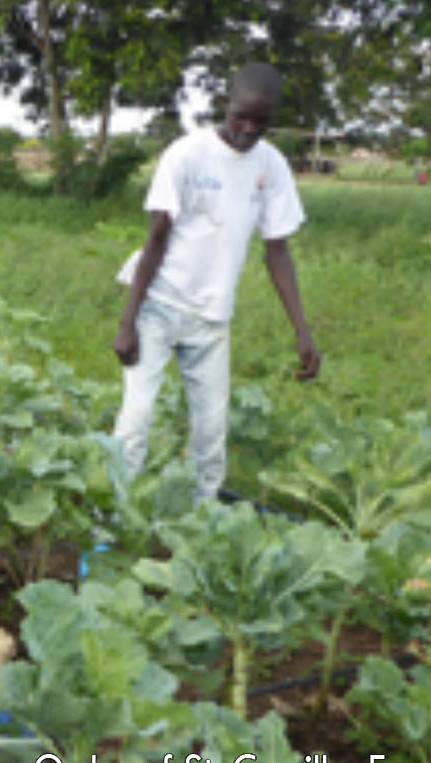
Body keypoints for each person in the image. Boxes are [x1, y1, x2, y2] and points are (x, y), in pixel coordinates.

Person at [111, 62, 320, 504]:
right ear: (226, 105)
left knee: (211, 430)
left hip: (212, 318)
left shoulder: (272, 166)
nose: (248, 129)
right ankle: (109, 523)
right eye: (241, 116)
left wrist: (303, 333)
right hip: (159, 306)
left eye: (260, 122)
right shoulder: (186, 155)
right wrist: (128, 322)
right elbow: (156, 238)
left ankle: (203, 524)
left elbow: (277, 251)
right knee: (136, 420)